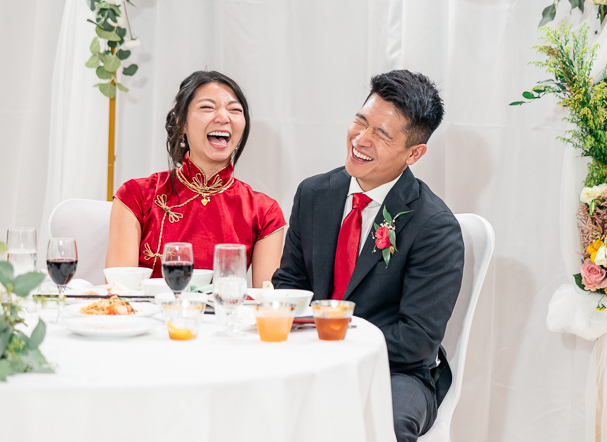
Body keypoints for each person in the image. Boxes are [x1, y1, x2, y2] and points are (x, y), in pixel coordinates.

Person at [274, 70, 464, 442]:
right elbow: (290, 284)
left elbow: (416, 340)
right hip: (310, 356)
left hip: (395, 372)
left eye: (381, 134)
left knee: (381, 422)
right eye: (361, 121)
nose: (360, 139)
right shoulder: (313, 194)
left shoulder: (434, 226)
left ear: (414, 153)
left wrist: (330, 339)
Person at [105, 71, 285, 287]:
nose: (223, 117)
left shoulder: (264, 211)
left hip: (224, 318)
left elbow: (263, 304)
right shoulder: (136, 195)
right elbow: (119, 293)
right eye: (207, 107)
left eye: (235, 110)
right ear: (181, 123)